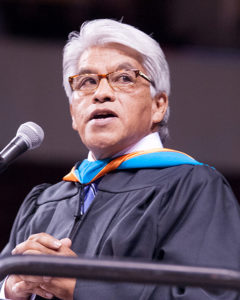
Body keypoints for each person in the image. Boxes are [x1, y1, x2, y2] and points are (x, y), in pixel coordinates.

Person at [1, 18, 240, 300]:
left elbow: (208, 296)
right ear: (72, 113)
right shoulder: (44, 204)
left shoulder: (192, 188)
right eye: (87, 82)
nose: (101, 94)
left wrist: (81, 286)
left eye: (124, 78)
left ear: (158, 106)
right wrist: (12, 290)